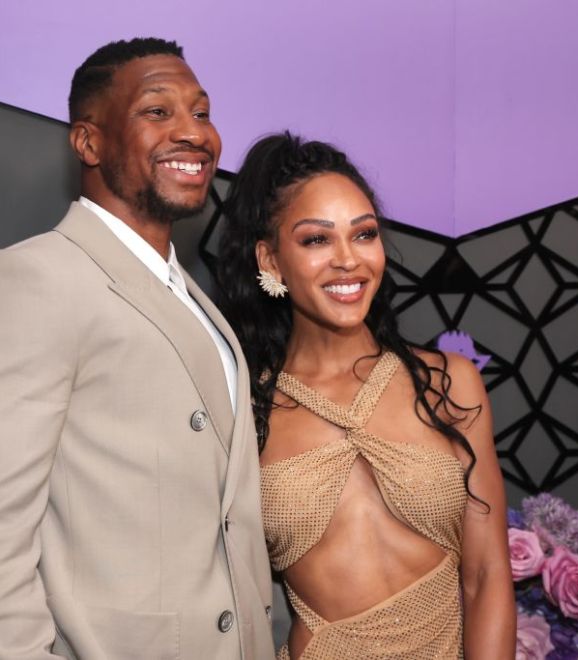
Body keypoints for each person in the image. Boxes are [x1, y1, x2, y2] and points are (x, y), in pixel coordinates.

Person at [0, 38, 275, 660]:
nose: (193, 133)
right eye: (157, 112)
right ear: (88, 143)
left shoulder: (196, 298)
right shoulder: (29, 281)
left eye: (200, 112)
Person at [217, 133, 516, 659]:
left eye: (364, 234)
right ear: (270, 260)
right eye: (316, 240)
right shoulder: (244, 406)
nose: (347, 260)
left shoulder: (447, 382)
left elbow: (487, 575)